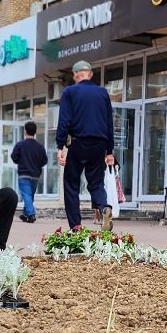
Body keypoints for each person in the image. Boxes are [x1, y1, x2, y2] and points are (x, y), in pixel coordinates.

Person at [53, 60, 116, 229]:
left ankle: (76, 226)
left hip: (78, 142)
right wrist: (109, 151)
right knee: (96, 182)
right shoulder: (102, 93)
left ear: (75, 75)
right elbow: (109, 123)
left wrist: (60, 146)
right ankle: (104, 208)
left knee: (71, 183)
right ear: (90, 74)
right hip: (99, 144)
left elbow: (64, 121)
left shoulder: (69, 92)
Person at [9, 120, 46, 223]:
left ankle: (31, 214)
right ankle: (25, 215)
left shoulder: (20, 145)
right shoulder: (40, 147)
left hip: (24, 174)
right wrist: (36, 165)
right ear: (35, 131)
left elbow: (14, 157)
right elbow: (45, 160)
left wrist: (20, 161)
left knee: (26, 195)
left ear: (25, 131)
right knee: (29, 195)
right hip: (35, 175)